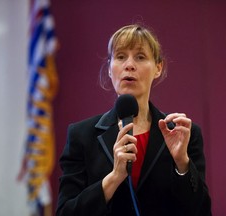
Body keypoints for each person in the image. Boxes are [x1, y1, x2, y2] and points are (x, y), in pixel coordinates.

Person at [56, 24, 212, 216]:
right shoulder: (81, 135)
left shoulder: (183, 134)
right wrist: (114, 178)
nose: (129, 65)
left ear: (158, 68)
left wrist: (182, 164)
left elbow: (201, 212)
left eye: (140, 57)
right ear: (109, 69)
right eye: (121, 56)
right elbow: (65, 212)